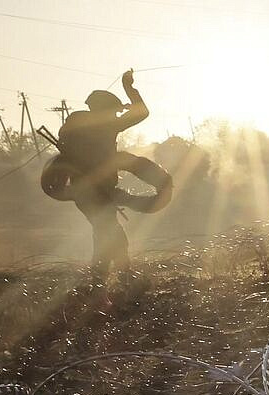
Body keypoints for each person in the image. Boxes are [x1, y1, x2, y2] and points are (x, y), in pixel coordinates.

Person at [42, 69, 173, 282]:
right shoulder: (103, 125)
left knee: (107, 231)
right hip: (97, 193)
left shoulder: (76, 127)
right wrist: (129, 88)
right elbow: (142, 112)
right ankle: (108, 279)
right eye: (113, 111)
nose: (116, 115)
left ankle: (114, 276)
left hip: (86, 194)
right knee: (109, 233)